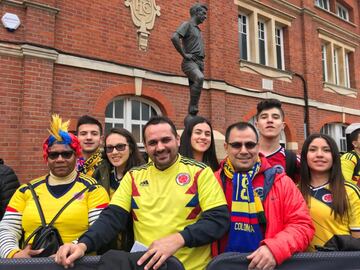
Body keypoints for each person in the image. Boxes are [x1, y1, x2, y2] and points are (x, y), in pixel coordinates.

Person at [55, 116, 229, 270]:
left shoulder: (200, 172)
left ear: (177, 140)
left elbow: (218, 220)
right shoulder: (134, 176)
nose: (160, 147)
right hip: (146, 266)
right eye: (152, 143)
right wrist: (82, 244)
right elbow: (111, 218)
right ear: (145, 146)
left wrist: (179, 239)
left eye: (165, 140)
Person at [0, 115, 109, 258]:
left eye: (66, 154)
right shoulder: (26, 190)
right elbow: (7, 228)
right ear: (47, 158)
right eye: (54, 155)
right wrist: (13, 254)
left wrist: (71, 250)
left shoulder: (94, 190)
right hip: (29, 266)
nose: (60, 159)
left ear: (76, 156)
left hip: (76, 264)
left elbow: (99, 229)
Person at [213, 122, 314, 270]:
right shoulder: (212, 182)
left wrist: (275, 249)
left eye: (250, 145)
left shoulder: (281, 182)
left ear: (258, 146)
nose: (244, 151)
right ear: (226, 147)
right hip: (222, 265)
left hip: (268, 266)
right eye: (236, 145)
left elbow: (303, 226)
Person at [299, 133, 360, 251]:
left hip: (339, 264)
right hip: (302, 263)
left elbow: (357, 241)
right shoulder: (294, 191)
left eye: (326, 150)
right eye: (312, 150)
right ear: (305, 156)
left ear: (334, 156)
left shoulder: (349, 191)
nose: (319, 154)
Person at [97, 128, 145, 251]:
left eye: (120, 147)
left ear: (131, 148)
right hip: (106, 243)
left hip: (134, 243)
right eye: (109, 148)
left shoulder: (143, 174)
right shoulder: (100, 172)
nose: (114, 152)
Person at [171, 3, 207, 116]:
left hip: (200, 62)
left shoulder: (198, 30)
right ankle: (193, 107)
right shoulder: (187, 25)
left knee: (194, 88)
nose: (205, 16)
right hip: (190, 62)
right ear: (196, 12)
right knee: (200, 78)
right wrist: (184, 54)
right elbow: (174, 37)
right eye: (203, 13)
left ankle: (192, 113)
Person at [255, 99, 300, 182]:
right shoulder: (245, 156)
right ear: (257, 125)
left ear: (283, 125)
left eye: (275, 117)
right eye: (264, 117)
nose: (269, 120)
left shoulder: (294, 161)